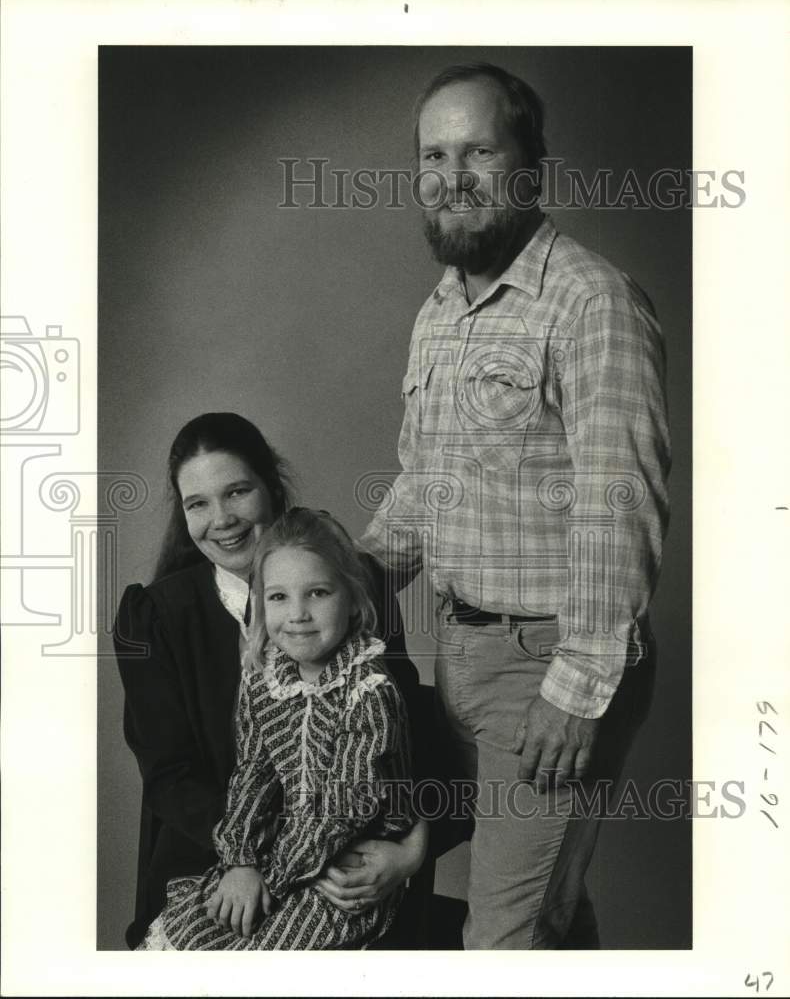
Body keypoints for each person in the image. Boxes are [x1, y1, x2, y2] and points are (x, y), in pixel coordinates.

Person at [360, 63, 671, 949]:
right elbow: (426, 486)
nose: (451, 175)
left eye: (479, 150)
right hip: (458, 652)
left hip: (551, 664)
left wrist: (577, 690)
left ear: (532, 166)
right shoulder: (441, 315)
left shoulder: (591, 302)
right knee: (548, 914)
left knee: (500, 943)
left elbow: (624, 502)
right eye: (433, 154)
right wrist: (340, 584)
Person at [114, 412, 427, 949]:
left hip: (353, 862)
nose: (222, 519)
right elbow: (170, 775)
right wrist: (252, 859)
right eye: (198, 504)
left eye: (237, 492)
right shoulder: (155, 617)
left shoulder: (355, 584)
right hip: (212, 857)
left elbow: (406, 737)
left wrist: (411, 850)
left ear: (271, 487)